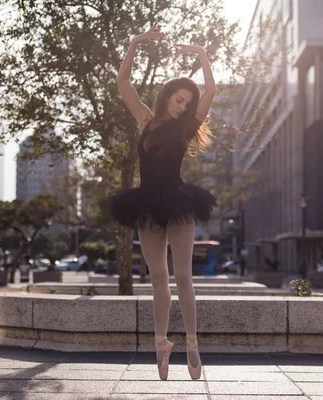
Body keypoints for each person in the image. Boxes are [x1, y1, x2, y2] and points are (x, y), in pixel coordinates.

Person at [110, 25, 217, 381]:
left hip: (179, 201)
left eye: (188, 102)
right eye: (179, 99)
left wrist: (201, 54)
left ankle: (191, 342)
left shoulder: (186, 127)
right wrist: (134, 42)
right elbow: (123, 84)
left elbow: (212, 90)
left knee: (184, 277)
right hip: (146, 203)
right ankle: (160, 343)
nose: (183, 106)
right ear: (168, 95)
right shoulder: (145, 120)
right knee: (158, 279)